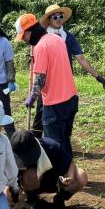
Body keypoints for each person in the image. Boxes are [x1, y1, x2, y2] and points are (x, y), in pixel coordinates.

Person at [32, 3, 105, 136]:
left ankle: (61, 141)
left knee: (64, 116)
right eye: (54, 17)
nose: (58, 19)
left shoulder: (69, 38)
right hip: (47, 84)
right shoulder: (42, 37)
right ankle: (36, 141)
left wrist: (97, 76)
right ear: (49, 19)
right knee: (41, 113)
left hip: (64, 84)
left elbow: (82, 59)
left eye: (60, 16)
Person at [15, 13, 79, 156]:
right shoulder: (57, 39)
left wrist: (32, 97)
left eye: (24, 36)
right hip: (71, 99)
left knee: (53, 145)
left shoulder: (41, 46)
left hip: (55, 104)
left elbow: (40, 78)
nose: (24, 40)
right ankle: (68, 174)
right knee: (65, 141)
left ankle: (59, 176)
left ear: (29, 32)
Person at [10, 129, 88, 209]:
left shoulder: (51, 146)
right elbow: (9, 181)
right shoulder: (11, 157)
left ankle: (59, 199)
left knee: (81, 176)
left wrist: (70, 177)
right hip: (33, 184)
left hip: (56, 182)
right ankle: (32, 199)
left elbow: (70, 163)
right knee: (30, 175)